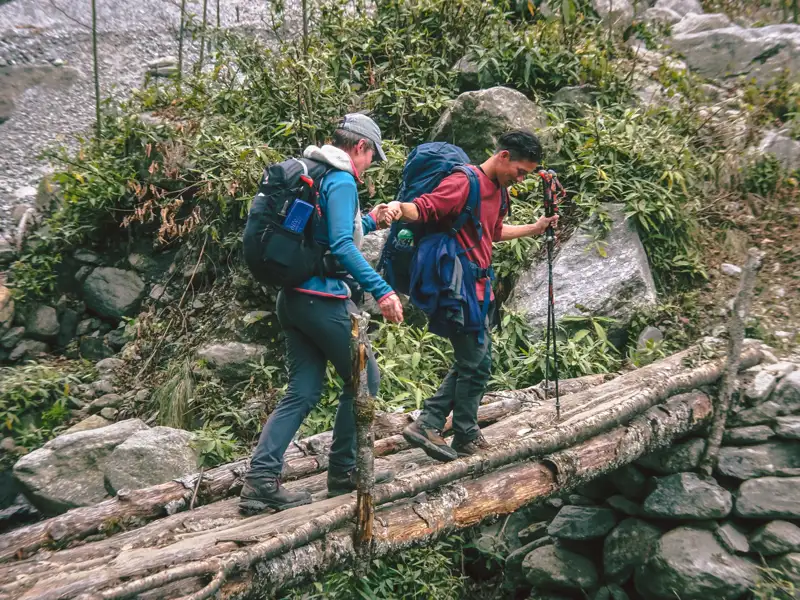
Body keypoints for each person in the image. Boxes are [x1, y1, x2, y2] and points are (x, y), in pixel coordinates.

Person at [239, 114, 404, 513]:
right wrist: (383, 291)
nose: (368, 165)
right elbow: (343, 248)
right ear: (360, 148)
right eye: (371, 157)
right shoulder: (343, 178)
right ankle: (345, 470)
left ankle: (261, 482)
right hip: (321, 300)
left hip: (291, 300)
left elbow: (321, 236)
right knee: (365, 378)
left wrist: (370, 219)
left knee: (303, 391)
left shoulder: (313, 170)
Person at [384, 130, 559, 462]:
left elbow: (493, 232)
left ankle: (460, 432)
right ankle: (437, 426)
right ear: (504, 156)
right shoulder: (464, 182)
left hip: (478, 287)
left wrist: (535, 228)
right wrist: (397, 208)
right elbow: (425, 208)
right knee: (475, 361)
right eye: (520, 171)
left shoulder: (500, 193)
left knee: (477, 361)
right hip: (454, 286)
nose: (520, 179)